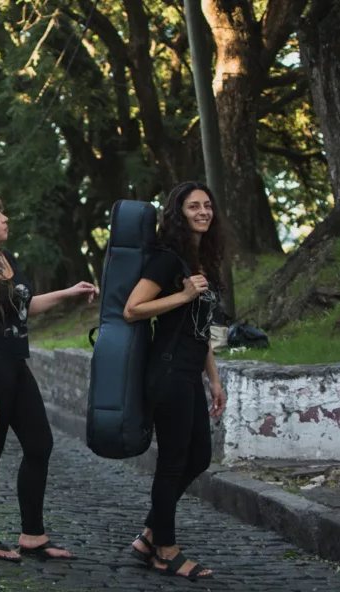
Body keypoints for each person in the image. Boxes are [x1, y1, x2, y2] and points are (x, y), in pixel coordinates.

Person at [0, 193, 98, 562]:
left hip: (16, 363)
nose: (5, 219)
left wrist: (68, 294)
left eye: (2, 212)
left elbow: (23, 306)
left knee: (39, 445)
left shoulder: (5, 259)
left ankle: (33, 535)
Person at [124, 181, 227, 581]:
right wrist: (182, 296)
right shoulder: (167, 260)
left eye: (207, 205)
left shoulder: (198, 260)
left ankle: (150, 533)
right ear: (177, 214)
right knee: (172, 463)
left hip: (188, 372)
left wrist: (214, 381)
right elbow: (134, 309)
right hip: (166, 372)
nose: (203, 211)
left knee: (199, 456)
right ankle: (165, 550)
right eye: (192, 206)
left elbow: (199, 331)